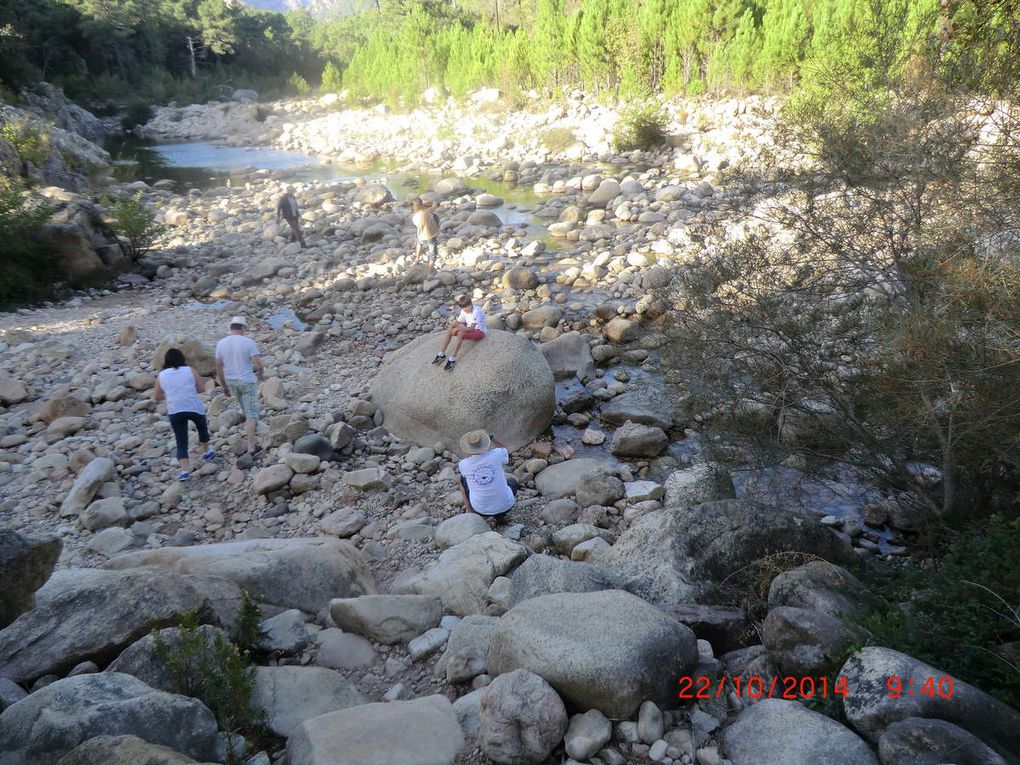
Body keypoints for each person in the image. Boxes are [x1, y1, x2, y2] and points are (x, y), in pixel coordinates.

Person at [153, 348, 215, 481]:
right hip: (192, 406)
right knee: (202, 427)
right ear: (182, 358)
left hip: (175, 409)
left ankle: (184, 471)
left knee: (181, 439)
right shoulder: (190, 370)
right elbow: (201, 388)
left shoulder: (162, 375)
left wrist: (170, 396)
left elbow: (157, 396)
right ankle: (207, 452)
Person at [215, 316, 264, 454]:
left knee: (244, 405)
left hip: (231, 380)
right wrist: (260, 375)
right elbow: (259, 365)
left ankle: (253, 425)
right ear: (243, 328)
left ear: (230, 329)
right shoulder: (248, 342)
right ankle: (251, 444)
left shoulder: (221, 343)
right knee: (251, 413)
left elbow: (218, 367)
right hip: (247, 381)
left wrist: (224, 386)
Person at [458, 430, 519, 520]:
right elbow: (504, 449)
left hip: (480, 510)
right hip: (506, 506)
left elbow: (468, 462)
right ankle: (500, 517)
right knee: (512, 482)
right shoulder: (496, 455)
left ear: (468, 448)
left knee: (462, 481)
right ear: (485, 443)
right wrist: (491, 438)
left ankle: (469, 510)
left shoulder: (464, 464)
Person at [432, 294, 486, 372]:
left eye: (468, 306)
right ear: (461, 308)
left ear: (471, 303)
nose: (467, 309)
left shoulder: (477, 311)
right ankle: (441, 354)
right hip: (469, 327)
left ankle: (452, 359)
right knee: (452, 326)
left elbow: (471, 328)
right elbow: (459, 321)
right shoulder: (463, 311)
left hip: (479, 331)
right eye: (464, 307)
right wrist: (452, 328)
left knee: (461, 333)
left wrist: (459, 328)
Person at [410, 196, 440, 275]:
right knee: (433, 254)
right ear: (422, 204)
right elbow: (435, 204)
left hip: (421, 235)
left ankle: (417, 259)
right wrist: (430, 200)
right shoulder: (428, 211)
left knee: (419, 243)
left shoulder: (414, 217)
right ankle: (429, 273)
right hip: (431, 235)